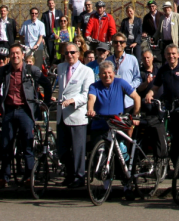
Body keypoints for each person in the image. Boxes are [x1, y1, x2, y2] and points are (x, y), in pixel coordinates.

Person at [87, 60, 141, 200]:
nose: (107, 76)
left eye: (109, 73)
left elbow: (136, 97)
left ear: (114, 73)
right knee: (102, 156)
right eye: (104, 73)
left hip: (117, 126)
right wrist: (90, 110)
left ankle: (127, 185)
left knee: (122, 154)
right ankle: (106, 186)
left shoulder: (120, 83)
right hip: (100, 126)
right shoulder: (94, 86)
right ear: (99, 75)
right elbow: (91, 99)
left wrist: (135, 115)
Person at [0, 43, 52, 188]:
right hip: (9, 111)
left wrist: (45, 103)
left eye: (17, 53)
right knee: (5, 146)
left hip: (25, 111)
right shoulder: (4, 71)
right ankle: (4, 177)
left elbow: (46, 84)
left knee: (28, 146)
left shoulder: (31, 70)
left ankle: (30, 176)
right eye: (12, 53)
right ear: (9, 56)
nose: (15, 56)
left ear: (23, 55)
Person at [145, 44, 179, 165]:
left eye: (173, 53)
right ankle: (176, 166)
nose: (171, 56)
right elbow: (155, 87)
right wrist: (149, 94)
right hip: (169, 106)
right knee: (174, 138)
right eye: (168, 54)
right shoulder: (163, 70)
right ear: (165, 55)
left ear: (178, 55)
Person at [56, 42, 94, 189]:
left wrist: (74, 100)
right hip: (62, 115)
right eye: (67, 53)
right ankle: (69, 174)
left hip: (77, 114)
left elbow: (87, 94)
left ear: (78, 54)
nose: (69, 55)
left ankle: (79, 177)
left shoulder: (86, 71)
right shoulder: (61, 68)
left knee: (78, 150)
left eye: (72, 53)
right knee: (62, 150)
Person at [106, 32, 142, 115]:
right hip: (112, 100)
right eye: (116, 42)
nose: (118, 44)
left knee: (128, 126)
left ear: (125, 44)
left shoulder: (132, 59)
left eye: (121, 42)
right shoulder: (108, 61)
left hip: (128, 100)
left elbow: (138, 78)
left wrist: (128, 87)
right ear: (112, 44)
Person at [41, 0, 64, 64]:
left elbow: (63, 22)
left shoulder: (59, 13)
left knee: (59, 51)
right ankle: (51, 64)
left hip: (58, 35)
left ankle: (60, 63)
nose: (51, 4)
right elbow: (43, 26)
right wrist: (43, 37)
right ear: (48, 5)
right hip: (49, 36)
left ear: (55, 4)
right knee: (50, 51)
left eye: (52, 3)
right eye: (49, 3)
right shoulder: (44, 14)